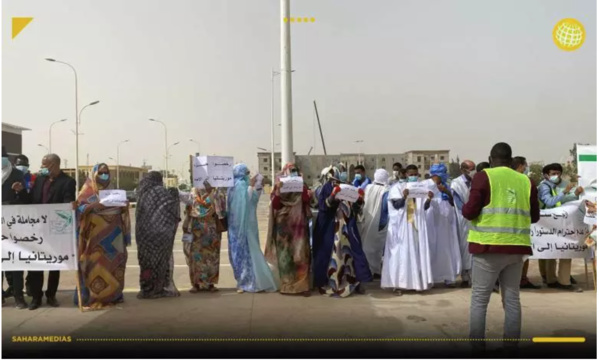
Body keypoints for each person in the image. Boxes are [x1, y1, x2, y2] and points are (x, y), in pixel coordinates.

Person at [463, 142, 540, 354]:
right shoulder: (526, 181)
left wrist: (464, 207)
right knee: (512, 297)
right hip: (516, 248)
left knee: (480, 298)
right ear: (511, 159)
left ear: (490, 158)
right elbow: (534, 216)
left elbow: (470, 211)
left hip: (488, 246)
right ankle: (511, 346)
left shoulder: (483, 176)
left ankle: (478, 348)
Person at [74, 163, 131, 309]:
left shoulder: (113, 192)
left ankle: (113, 296)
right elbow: (78, 210)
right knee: (93, 265)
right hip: (94, 239)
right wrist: (91, 207)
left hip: (114, 238)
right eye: (101, 172)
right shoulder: (87, 192)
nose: (104, 175)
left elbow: (122, 211)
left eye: (106, 172)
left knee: (115, 264)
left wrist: (125, 206)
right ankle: (94, 297)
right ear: (94, 174)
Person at [25, 154, 76, 310]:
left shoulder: (67, 182)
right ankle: (36, 297)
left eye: (45, 164)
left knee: (55, 264)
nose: (42, 167)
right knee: (36, 264)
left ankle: (51, 295)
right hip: (37, 229)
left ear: (55, 165)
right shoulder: (39, 180)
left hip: (55, 229)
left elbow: (67, 201)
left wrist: (71, 205)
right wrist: (21, 192)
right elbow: (31, 200)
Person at [382, 164, 435, 295]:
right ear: (406, 175)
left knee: (417, 252)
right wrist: (404, 197)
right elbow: (396, 205)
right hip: (403, 226)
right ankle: (399, 284)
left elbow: (424, 208)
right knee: (403, 253)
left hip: (417, 225)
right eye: (410, 174)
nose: (413, 177)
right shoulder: (397, 188)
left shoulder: (421, 187)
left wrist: (429, 199)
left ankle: (416, 283)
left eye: (415, 175)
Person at [227, 164, 277, 293]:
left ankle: (253, 281)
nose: (248, 175)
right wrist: (251, 185)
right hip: (240, 227)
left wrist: (258, 185)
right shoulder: (238, 186)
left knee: (250, 253)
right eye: (246, 173)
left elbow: (253, 199)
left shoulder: (237, 186)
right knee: (241, 254)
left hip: (246, 226)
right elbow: (245, 199)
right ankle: (245, 281)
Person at [265, 163, 312, 296]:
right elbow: (275, 204)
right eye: (290, 171)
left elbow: (307, 200)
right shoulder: (278, 186)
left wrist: (303, 189)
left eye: (295, 170)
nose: (293, 173)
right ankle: (287, 285)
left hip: (298, 226)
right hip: (284, 226)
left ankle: (302, 286)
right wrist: (279, 191)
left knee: (301, 255)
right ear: (285, 172)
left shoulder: (302, 186)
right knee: (285, 257)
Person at [537, 163, 584, 292]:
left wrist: (575, 194)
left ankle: (559, 279)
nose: (556, 176)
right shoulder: (543, 187)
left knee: (560, 249)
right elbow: (550, 202)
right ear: (546, 175)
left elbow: (564, 199)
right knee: (554, 250)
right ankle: (556, 280)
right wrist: (564, 192)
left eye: (558, 173)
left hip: (562, 221)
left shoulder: (562, 184)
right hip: (548, 222)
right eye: (553, 174)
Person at [135, 171, 181, 299]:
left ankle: (146, 288)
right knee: (159, 262)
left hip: (144, 236)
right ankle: (158, 289)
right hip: (160, 237)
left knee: (146, 263)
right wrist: (174, 193)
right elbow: (172, 209)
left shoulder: (141, 193)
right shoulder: (162, 192)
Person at [179, 182, 226, 293]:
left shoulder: (216, 193)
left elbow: (222, 210)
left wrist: (212, 193)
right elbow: (188, 210)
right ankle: (196, 284)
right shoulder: (194, 193)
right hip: (196, 231)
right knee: (196, 257)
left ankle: (210, 283)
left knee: (212, 257)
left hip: (211, 231)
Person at [2, 147, 29, 309]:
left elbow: (26, 198)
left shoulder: (18, 175)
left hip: (13, 223)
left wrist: (20, 192)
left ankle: (19, 296)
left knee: (15, 260)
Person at [428, 164, 461, 287]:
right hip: (432, 220)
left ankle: (449, 277)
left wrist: (445, 191)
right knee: (432, 246)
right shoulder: (427, 186)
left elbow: (454, 202)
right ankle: (431, 277)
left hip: (447, 221)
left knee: (447, 248)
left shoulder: (448, 187)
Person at [511, 157, 540, 289]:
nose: (526, 168)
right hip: (519, 226)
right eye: (525, 166)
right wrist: (533, 218)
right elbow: (534, 206)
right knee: (521, 256)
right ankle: (519, 280)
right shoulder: (527, 182)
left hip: (510, 227)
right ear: (520, 166)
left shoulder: (505, 180)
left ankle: (519, 280)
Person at [359, 169, 390, 278]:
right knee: (377, 249)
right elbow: (386, 208)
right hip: (380, 222)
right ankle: (374, 270)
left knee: (366, 245)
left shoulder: (367, 187)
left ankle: (369, 270)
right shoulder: (387, 190)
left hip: (367, 220)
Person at [313, 166, 341, 290]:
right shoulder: (323, 188)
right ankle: (321, 280)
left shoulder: (341, 187)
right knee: (324, 251)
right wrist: (333, 196)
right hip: (326, 224)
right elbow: (324, 205)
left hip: (337, 223)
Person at [451, 160, 476, 287]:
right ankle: (465, 276)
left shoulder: (476, 181)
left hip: (475, 218)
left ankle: (472, 276)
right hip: (463, 218)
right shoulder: (456, 184)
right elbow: (458, 203)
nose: (473, 171)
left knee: (472, 248)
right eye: (470, 169)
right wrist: (468, 212)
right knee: (463, 247)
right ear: (463, 170)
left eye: (474, 168)